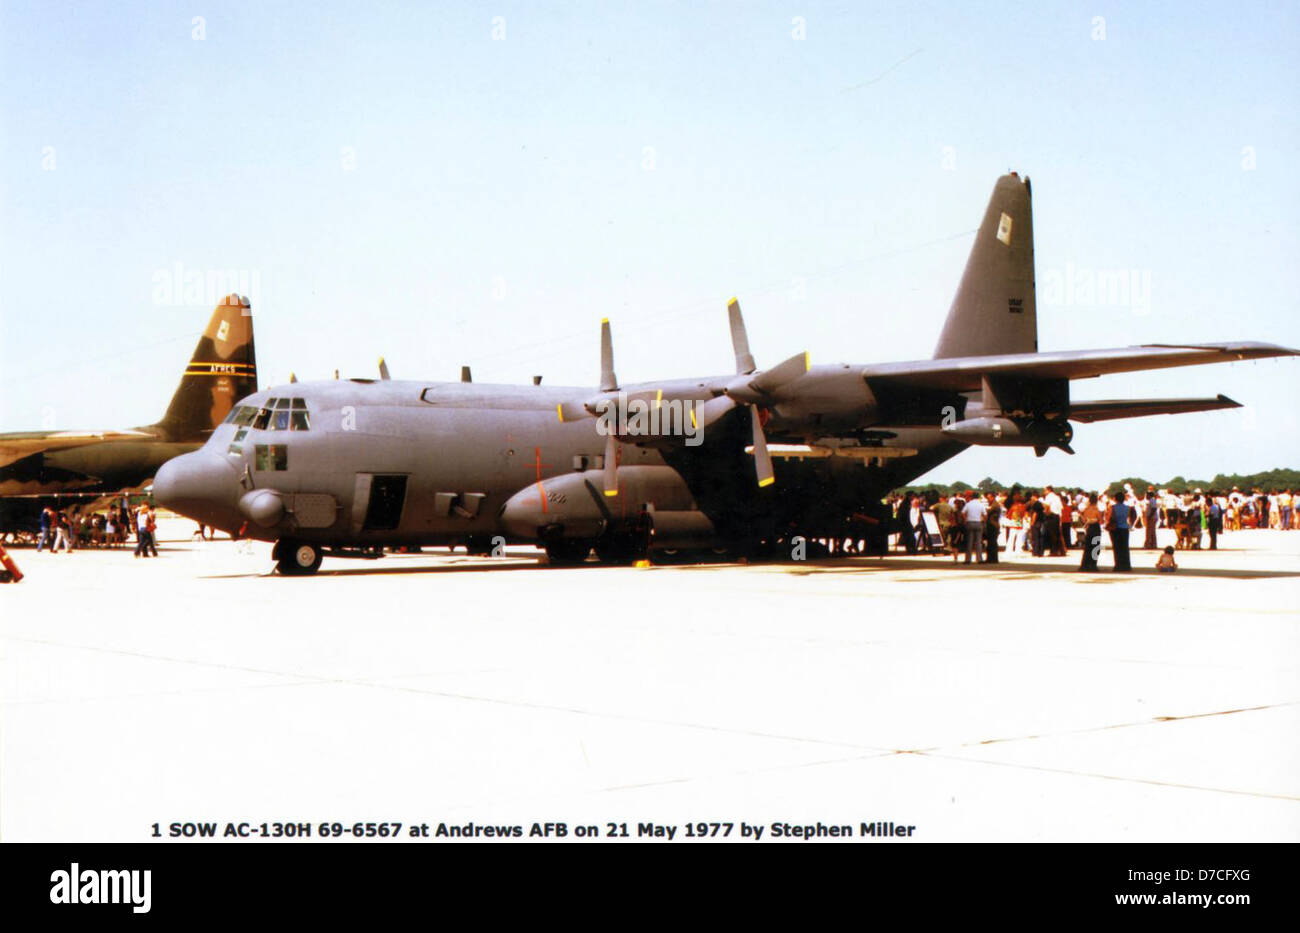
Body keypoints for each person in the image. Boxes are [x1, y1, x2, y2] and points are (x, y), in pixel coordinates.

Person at [1105, 492, 1131, 572]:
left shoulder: (1113, 507)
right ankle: (1126, 565)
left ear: (1115, 499)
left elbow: (1111, 517)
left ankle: (1118, 565)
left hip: (1116, 529)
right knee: (1125, 547)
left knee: (1117, 548)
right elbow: (1128, 517)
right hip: (1125, 528)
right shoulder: (1127, 507)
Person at [1079, 493, 1103, 572]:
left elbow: (1083, 519)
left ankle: (1085, 565)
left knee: (1088, 547)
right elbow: (1100, 520)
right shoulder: (1096, 510)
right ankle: (1093, 565)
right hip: (1095, 528)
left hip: (1089, 528)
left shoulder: (1086, 509)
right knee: (1095, 547)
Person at [962, 493, 987, 564]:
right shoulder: (981, 504)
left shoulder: (968, 504)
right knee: (978, 542)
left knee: (970, 542)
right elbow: (985, 514)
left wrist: (965, 519)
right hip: (978, 523)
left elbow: (963, 512)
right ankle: (979, 559)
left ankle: (968, 559)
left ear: (972, 497)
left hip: (970, 522)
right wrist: (983, 521)